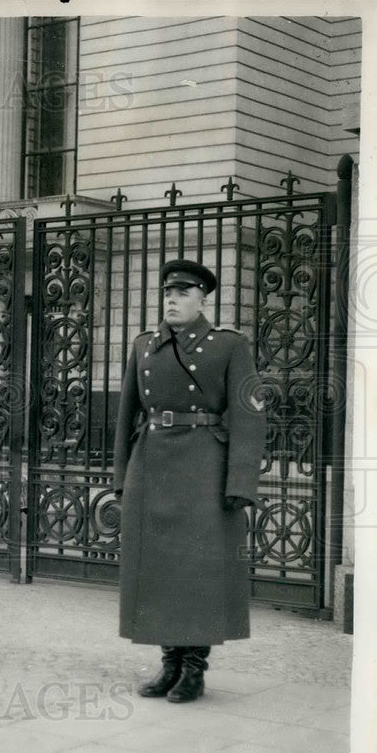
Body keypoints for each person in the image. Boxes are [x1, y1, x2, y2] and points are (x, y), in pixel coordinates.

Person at [112, 259, 267, 703]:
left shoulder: (229, 346)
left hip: (204, 468)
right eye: (168, 293)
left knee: (197, 570)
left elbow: (249, 415)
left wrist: (241, 482)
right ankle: (169, 665)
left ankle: (194, 669)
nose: (173, 300)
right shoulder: (144, 346)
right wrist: (123, 475)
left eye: (183, 293)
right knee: (157, 569)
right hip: (152, 464)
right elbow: (126, 415)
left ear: (203, 299)